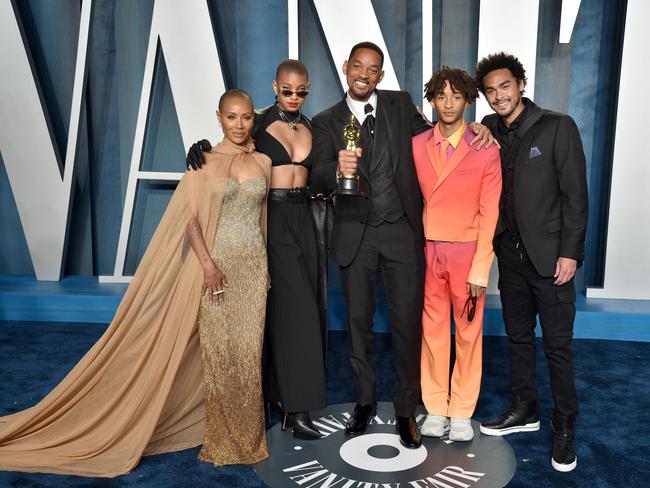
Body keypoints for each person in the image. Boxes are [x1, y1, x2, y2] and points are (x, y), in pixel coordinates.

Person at [0, 89, 272, 476]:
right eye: (231, 117)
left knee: (247, 352)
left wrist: (267, 271)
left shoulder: (263, 161)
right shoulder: (203, 161)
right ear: (218, 117)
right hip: (215, 267)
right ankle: (223, 438)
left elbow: (263, 220)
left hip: (252, 267)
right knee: (218, 350)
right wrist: (209, 266)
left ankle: (248, 437)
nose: (239, 125)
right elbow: (190, 220)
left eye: (245, 117)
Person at [310, 42, 495, 449]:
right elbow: (316, 177)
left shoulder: (399, 104)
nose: (364, 73)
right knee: (358, 325)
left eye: (372, 68)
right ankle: (363, 402)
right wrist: (333, 168)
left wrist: (483, 126)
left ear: (380, 75)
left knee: (409, 326)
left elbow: (441, 136)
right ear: (346, 68)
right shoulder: (325, 121)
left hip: (402, 235)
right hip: (355, 234)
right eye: (357, 66)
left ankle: (408, 410)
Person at [185, 60, 327, 440]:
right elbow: (230, 148)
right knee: (292, 312)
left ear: (308, 89)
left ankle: (282, 399)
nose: (294, 97)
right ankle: (296, 410)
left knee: (303, 311)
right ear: (274, 87)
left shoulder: (315, 126)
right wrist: (199, 148)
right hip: (273, 219)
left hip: (307, 219)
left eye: (301, 91)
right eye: (286, 90)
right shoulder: (259, 123)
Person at [474, 52, 588, 472]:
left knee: (558, 346)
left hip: (552, 258)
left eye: (505, 86)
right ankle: (525, 408)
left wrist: (570, 252)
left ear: (520, 84)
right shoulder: (485, 129)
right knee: (518, 338)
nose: (498, 96)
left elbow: (576, 195)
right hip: (511, 256)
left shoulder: (557, 126)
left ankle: (564, 424)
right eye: (490, 90)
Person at [412, 67, 501, 442]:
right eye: (441, 95)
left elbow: (490, 211)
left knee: (468, 333)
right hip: (429, 250)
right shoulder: (417, 144)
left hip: (468, 254)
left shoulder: (485, 147)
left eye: (456, 96)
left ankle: (462, 410)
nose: (448, 103)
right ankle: (435, 407)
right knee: (432, 332)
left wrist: (482, 268)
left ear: (468, 101)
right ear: (431, 99)